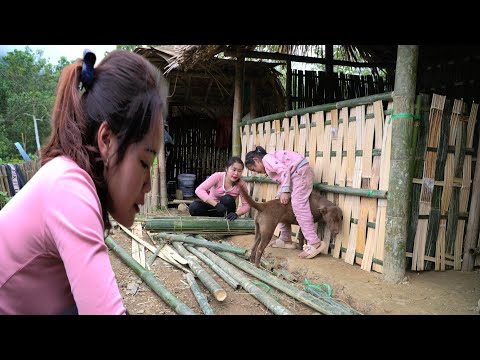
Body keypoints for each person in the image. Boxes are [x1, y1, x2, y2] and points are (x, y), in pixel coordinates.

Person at [0, 49, 167, 315]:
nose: (148, 184)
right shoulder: (70, 190)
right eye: (144, 163)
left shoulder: (70, 179)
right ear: (107, 141)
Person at [244, 146, 326, 259]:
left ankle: (314, 242)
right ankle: (285, 238)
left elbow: (284, 170)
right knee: (280, 204)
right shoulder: (269, 160)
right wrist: (283, 191)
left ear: (256, 160)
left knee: (299, 206)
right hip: (295, 175)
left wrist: (286, 190)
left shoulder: (267, 159)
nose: (256, 173)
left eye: (254, 169)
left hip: (300, 174)